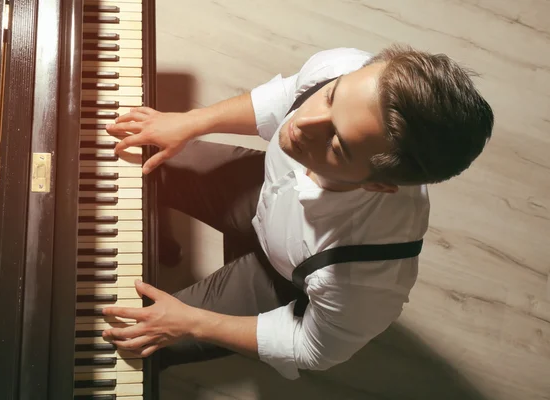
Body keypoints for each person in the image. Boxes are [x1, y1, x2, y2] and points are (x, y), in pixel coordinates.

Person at [101, 45, 494, 379]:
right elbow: (286, 97)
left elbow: (312, 347)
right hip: (260, 190)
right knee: (133, 153)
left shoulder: (365, 279)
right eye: (331, 96)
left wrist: (193, 323)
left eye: (337, 144)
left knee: (127, 341)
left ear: (377, 184)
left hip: (282, 274)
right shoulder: (347, 68)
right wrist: (190, 122)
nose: (302, 124)